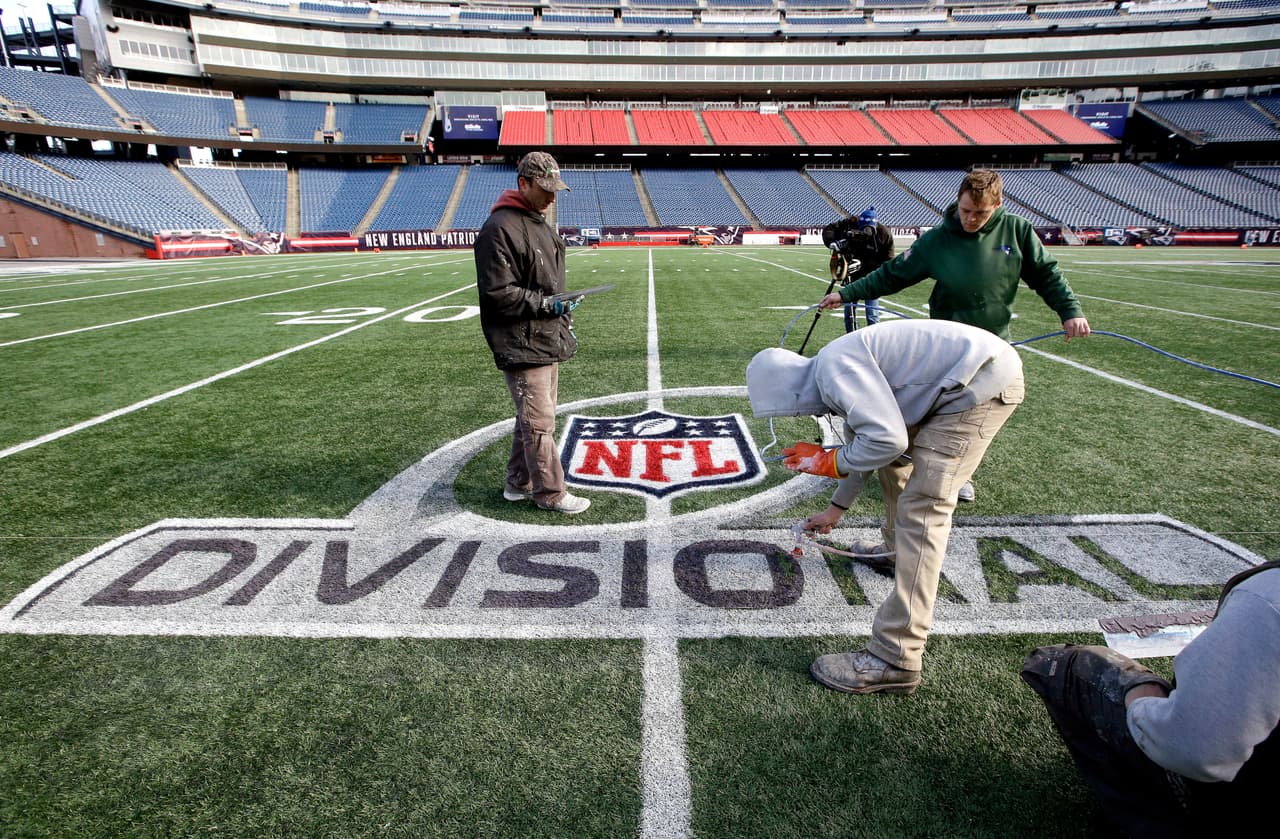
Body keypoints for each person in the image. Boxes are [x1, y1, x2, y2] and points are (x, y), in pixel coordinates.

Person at [746, 319, 1025, 694]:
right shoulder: (833, 367)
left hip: (975, 388)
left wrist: (830, 462)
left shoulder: (835, 371)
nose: (798, 416)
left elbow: (884, 440)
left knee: (924, 510)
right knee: (895, 465)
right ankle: (895, 553)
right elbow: (866, 444)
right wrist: (835, 510)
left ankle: (895, 656)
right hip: (963, 378)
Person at [819, 169, 1090, 510]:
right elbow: (893, 275)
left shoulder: (1016, 231)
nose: (972, 219)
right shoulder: (938, 239)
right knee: (925, 415)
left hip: (992, 349)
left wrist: (1070, 310)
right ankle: (906, 474)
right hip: (945, 353)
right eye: (965, 211)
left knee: (969, 418)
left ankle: (958, 477)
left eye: (981, 213)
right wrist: (847, 295)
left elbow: (1046, 274)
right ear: (957, 203)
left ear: (998, 204)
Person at [1021, 561, 1278, 836]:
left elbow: (1194, 747)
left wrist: (1139, 699)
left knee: (1064, 665)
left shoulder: (1267, 597)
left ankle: (1148, 820)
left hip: (1226, 798)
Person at [475, 151, 591, 515]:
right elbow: (498, 293)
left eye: (555, 189)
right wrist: (546, 305)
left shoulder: (536, 222)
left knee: (532, 417)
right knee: (539, 422)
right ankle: (551, 493)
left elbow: (543, 284)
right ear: (522, 183)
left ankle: (517, 482)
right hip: (522, 341)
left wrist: (562, 304)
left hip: (544, 337)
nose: (552, 197)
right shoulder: (500, 228)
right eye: (544, 189)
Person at [822, 206, 894, 331]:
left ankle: (873, 343)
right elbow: (829, 229)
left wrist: (877, 272)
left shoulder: (884, 234)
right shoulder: (851, 223)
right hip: (852, 275)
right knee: (849, 314)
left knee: (872, 314)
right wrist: (832, 242)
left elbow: (889, 260)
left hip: (872, 278)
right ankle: (851, 339)